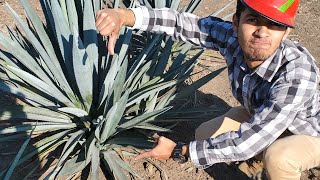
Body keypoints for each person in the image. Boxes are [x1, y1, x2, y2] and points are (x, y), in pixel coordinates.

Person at [95, 0, 320, 179]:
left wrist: (180, 151)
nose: (262, 32)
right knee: (205, 134)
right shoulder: (232, 39)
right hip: (264, 116)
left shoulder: (297, 74)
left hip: (310, 132)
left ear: (286, 33)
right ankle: (259, 163)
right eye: (253, 20)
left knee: (279, 158)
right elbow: (180, 23)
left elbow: (249, 139)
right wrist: (124, 16)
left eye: (274, 25)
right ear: (236, 22)